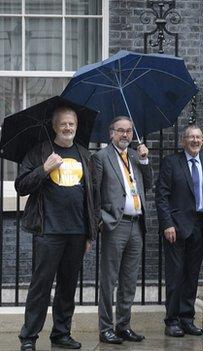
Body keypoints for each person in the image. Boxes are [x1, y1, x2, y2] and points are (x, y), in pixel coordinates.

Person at [16, 106, 97, 351]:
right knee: (41, 286)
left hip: (76, 231)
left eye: (71, 124)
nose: (68, 128)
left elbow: (92, 196)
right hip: (49, 231)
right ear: (54, 126)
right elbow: (21, 186)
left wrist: (90, 233)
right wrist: (44, 169)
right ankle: (29, 337)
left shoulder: (84, 154)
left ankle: (61, 333)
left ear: (76, 126)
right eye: (63, 123)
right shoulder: (40, 152)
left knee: (68, 285)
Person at [92, 116, 153, 344]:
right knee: (109, 280)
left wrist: (145, 161)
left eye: (128, 131)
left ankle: (123, 325)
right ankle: (106, 328)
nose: (125, 135)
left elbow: (149, 185)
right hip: (114, 224)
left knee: (129, 279)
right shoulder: (101, 157)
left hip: (136, 224)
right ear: (111, 133)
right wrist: (100, 220)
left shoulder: (136, 157)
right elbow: (94, 193)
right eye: (120, 131)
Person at [156, 125, 203, 337]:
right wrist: (167, 224)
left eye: (198, 137)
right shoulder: (171, 162)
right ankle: (171, 320)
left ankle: (187, 318)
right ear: (183, 141)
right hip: (175, 227)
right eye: (191, 137)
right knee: (175, 276)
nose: (195, 141)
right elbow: (162, 196)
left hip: (200, 227)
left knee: (192, 276)